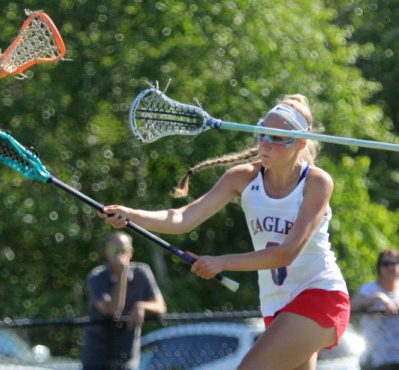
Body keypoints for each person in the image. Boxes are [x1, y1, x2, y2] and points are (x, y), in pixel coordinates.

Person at [102, 94, 350, 370]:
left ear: (300, 144)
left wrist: (222, 262)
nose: (266, 144)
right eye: (262, 134)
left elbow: (286, 253)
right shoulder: (242, 178)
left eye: (278, 139)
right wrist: (132, 215)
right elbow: (183, 218)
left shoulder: (316, 183)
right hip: (275, 304)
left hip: (319, 294)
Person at [81, 231, 166, 370]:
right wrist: (122, 274)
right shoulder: (96, 277)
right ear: (106, 252)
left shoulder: (142, 272)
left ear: (131, 252)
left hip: (127, 355)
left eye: (122, 250)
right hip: (97, 356)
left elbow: (161, 306)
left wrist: (141, 306)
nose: (118, 254)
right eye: (114, 249)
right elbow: (113, 311)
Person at [351, 249, 399, 370]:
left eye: (395, 263)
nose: (391, 267)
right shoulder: (368, 290)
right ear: (379, 267)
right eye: (386, 263)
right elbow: (349, 312)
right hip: (375, 359)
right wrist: (376, 299)